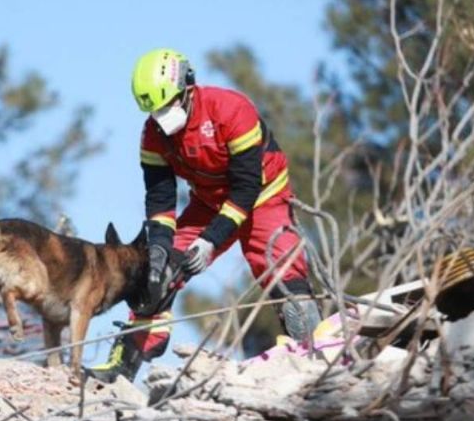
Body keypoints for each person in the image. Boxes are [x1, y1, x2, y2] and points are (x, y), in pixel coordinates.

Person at [86, 48, 321, 383]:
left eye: (168, 106)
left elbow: (246, 187)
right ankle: (124, 363)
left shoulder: (231, 110)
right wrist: (160, 248)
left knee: (283, 271)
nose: (162, 116)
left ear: (188, 89)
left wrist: (211, 240)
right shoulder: (152, 134)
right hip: (208, 202)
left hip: (264, 196)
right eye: (155, 110)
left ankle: (314, 356)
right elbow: (160, 196)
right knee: (156, 273)